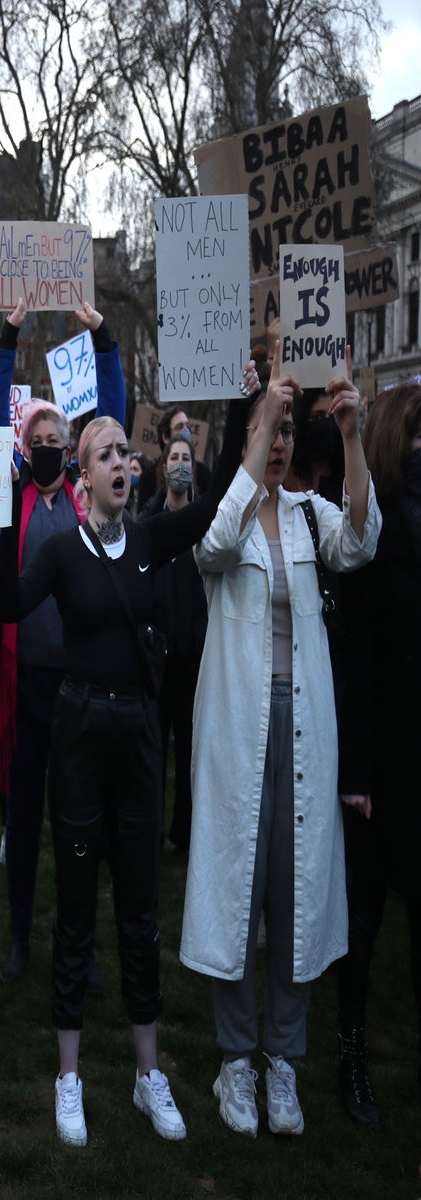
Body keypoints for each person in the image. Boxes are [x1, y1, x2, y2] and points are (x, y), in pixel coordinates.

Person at [0, 364, 256, 1148]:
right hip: (77, 742)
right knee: (76, 910)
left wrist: (244, 410)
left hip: (138, 744)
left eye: (124, 454)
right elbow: (7, 604)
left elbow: (214, 503)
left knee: (138, 913)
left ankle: (149, 1075)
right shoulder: (61, 554)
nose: (119, 462)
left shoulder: (149, 542)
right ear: (82, 475)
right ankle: (68, 1078)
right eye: (103, 453)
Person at [181, 344, 379, 1139]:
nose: (286, 440)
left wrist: (354, 433)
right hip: (239, 729)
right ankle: (236, 1061)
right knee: (241, 889)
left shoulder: (310, 517)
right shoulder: (225, 517)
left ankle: (283, 1064)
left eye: (294, 429)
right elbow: (212, 547)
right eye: (276, 429)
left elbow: (362, 541)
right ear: (253, 436)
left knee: (296, 895)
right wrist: (260, 414)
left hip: (305, 728)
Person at [0, 299, 128, 983]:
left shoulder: (84, 501)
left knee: (80, 828)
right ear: (23, 446)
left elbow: (115, 411)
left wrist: (103, 337)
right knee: (24, 819)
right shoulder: (8, 494)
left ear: (69, 450)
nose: (46, 445)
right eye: (36, 436)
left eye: (56, 437)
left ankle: (80, 945)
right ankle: (19, 935)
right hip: (25, 684)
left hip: (76, 686)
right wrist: (9, 334)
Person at [333, 381, 421, 1130]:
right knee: (363, 926)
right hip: (381, 762)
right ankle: (352, 1053)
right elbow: (355, 656)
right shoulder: (375, 527)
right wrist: (355, 770)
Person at [138, 431, 207, 852]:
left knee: (190, 754)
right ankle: (151, 832)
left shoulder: (204, 526)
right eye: (174, 457)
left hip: (194, 658)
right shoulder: (148, 524)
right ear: (164, 468)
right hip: (157, 659)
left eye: (187, 457)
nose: (180, 463)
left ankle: (184, 834)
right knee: (153, 754)